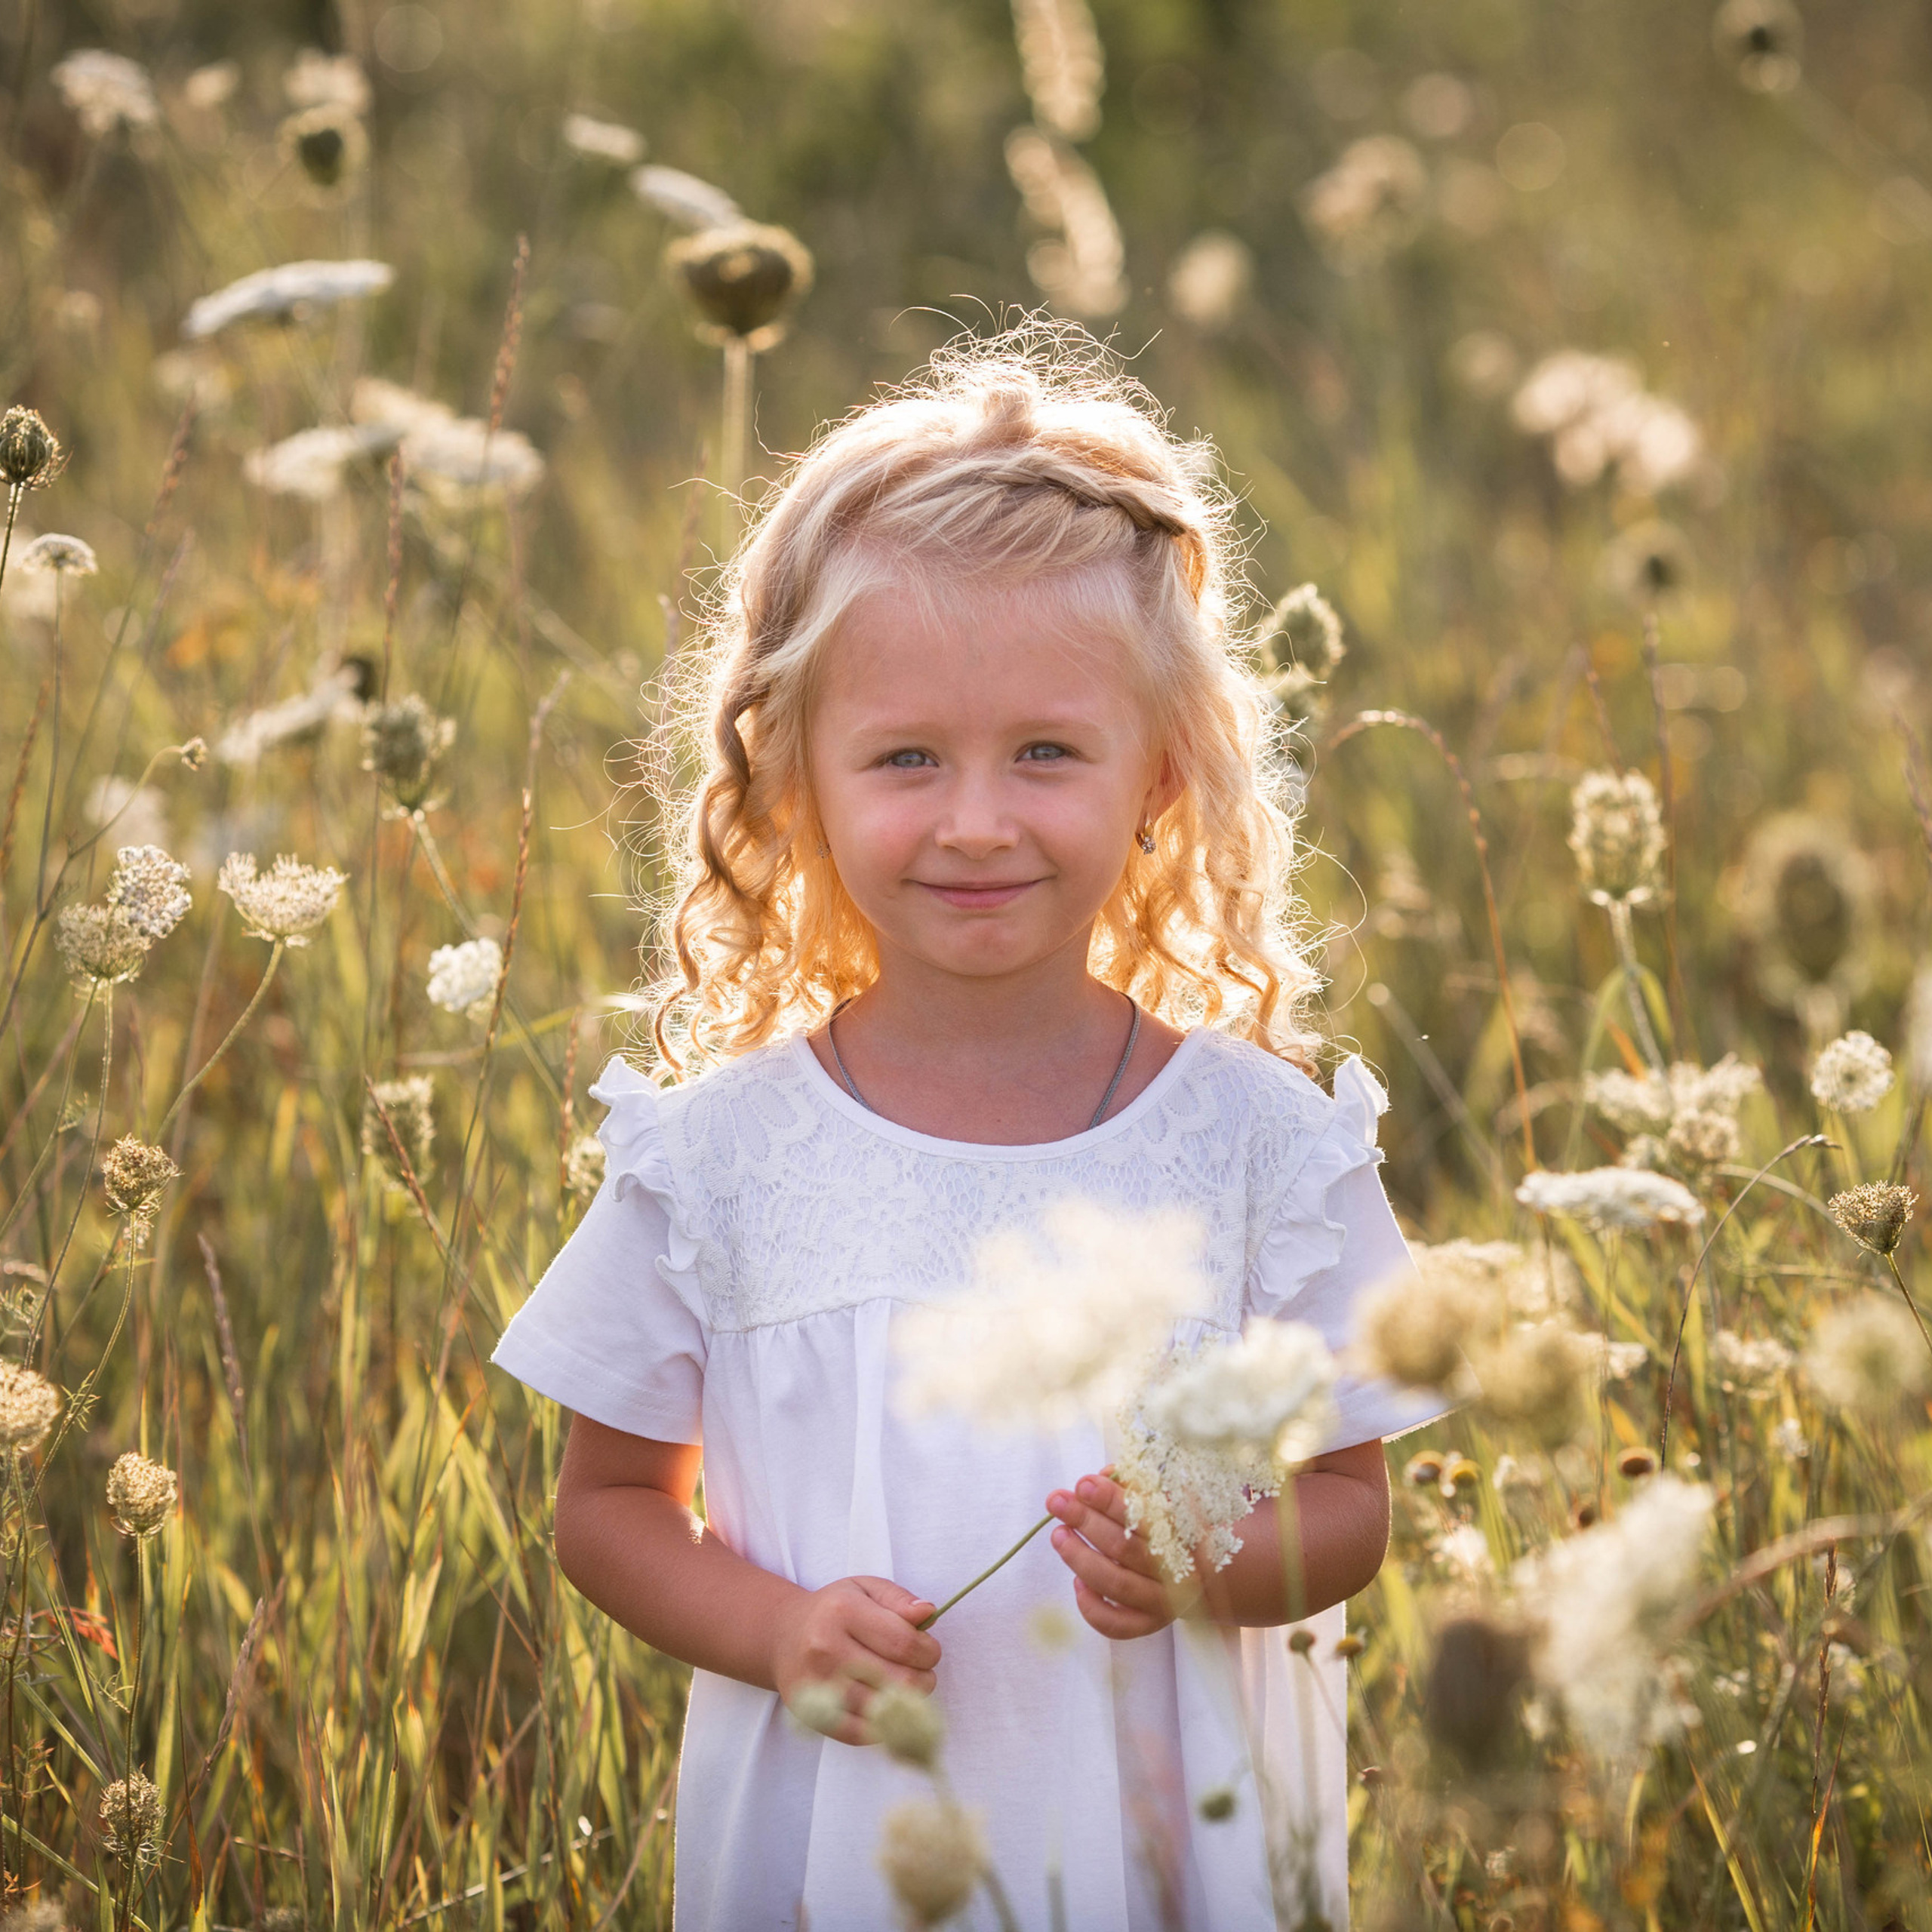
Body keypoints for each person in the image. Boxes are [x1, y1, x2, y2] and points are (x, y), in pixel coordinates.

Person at [491, 323, 1445, 1930]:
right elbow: (606, 1508)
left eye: (1048, 754)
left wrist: (1204, 1559)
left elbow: (1350, 1503)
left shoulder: (1260, 1146)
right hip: (839, 1855)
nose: (977, 818)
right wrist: (778, 1630)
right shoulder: (718, 1159)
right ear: (795, 775)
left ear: (1157, 775)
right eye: (908, 757)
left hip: (1162, 1855)